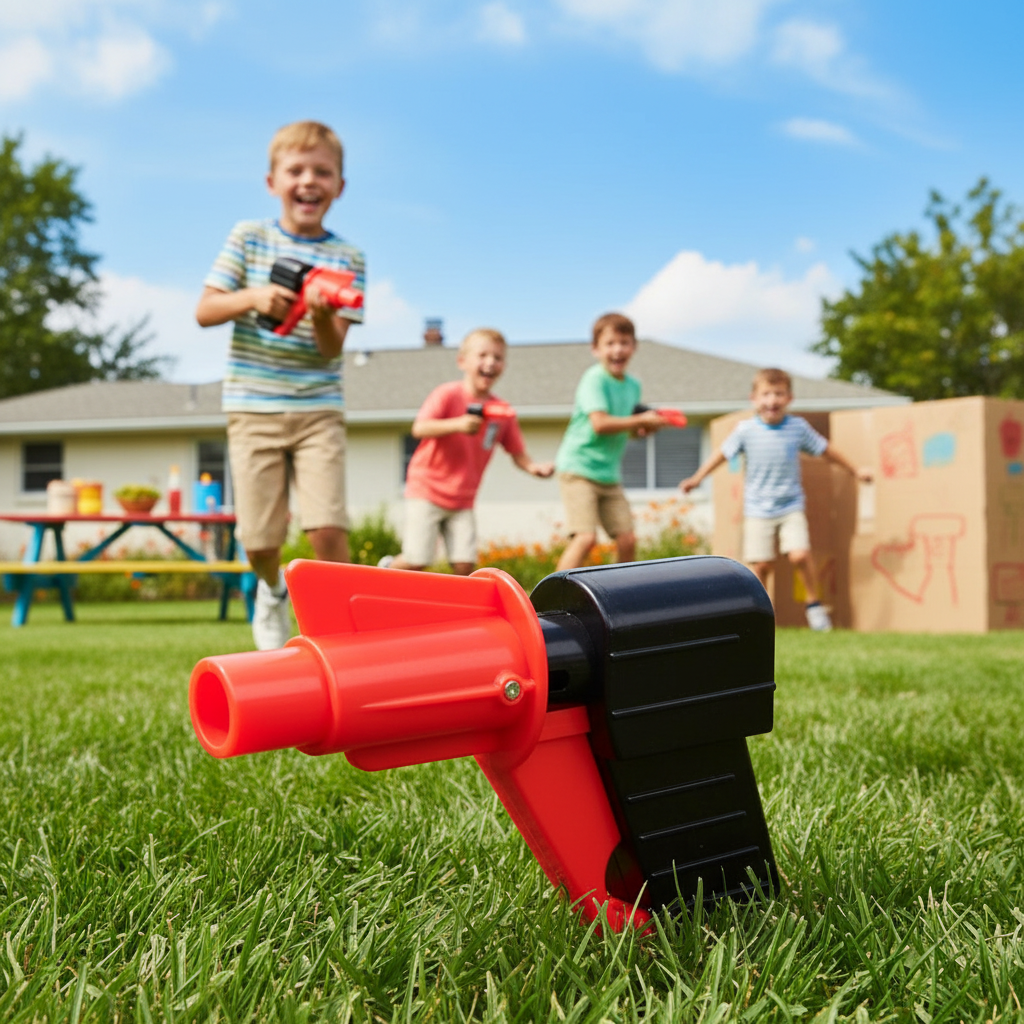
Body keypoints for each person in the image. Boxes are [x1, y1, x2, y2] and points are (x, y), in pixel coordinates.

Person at [195, 120, 364, 650]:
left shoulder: (348, 259)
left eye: (322, 172)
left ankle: (342, 632)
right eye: (296, 170)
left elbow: (332, 347)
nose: (308, 181)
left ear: (340, 186)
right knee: (259, 538)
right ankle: (272, 590)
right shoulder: (249, 238)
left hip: (318, 409)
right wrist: (253, 297)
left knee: (326, 527)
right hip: (253, 407)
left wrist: (320, 316)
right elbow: (205, 310)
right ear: (272, 182)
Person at [679, 367, 872, 630]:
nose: (772, 400)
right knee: (761, 564)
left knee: (799, 555)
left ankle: (814, 606)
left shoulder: (797, 428)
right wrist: (697, 478)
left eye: (779, 394)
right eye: (766, 394)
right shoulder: (745, 430)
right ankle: (762, 615)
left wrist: (856, 470)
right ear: (754, 399)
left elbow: (826, 450)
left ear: (789, 398)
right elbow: (721, 454)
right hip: (757, 509)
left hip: (791, 505)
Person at [382, 328, 554, 575]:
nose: (490, 362)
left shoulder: (502, 411)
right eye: (482, 355)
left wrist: (534, 467)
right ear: (462, 361)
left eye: (497, 357)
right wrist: (458, 424)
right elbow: (420, 428)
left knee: (464, 565)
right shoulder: (448, 394)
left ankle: (453, 601)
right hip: (427, 490)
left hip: (463, 498)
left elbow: (517, 452)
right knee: (417, 560)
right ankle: (387, 568)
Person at [554, 312, 666, 572]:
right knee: (585, 538)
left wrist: (644, 429)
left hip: (609, 475)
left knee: (627, 539)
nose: (618, 349)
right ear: (596, 349)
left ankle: (620, 592)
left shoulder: (633, 385)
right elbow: (600, 423)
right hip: (579, 469)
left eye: (624, 343)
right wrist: (640, 420)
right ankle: (547, 596)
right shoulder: (594, 379)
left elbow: (624, 427)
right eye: (610, 343)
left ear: (634, 347)